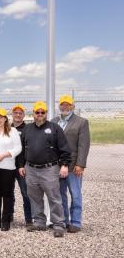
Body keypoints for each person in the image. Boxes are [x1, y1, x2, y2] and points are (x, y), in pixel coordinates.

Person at [17, 101, 72, 238]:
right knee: (35, 198)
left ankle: (58, 224)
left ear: (46, 114)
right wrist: (21, 165)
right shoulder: (27, 129)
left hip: (50, 169)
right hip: (31, 169)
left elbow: (64, 148)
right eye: (37, 112)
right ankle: (39, 222)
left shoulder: (54, 128)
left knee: (54, 198)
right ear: (33, 114)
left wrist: (64, 165)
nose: (40, 115)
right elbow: (22, 150)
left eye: (43, 112)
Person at [52, 95, 90, 233]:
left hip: (74, 167)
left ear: (73, 106)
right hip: (57, 166)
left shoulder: (81, 122)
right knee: (60, 195)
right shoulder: (54, 121)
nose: (65, 107)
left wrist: (80, 164)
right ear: (59, 106)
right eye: (63, 104)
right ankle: (64, 221)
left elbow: (83, 145)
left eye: (68, 104)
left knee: (75, 194)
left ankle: (76, 222)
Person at [11, 104, 33, 227]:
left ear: (23, 115)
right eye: (16, 113)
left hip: (23, 167)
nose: (18, 115)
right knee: (9, 193)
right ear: (12, 115)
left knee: (26, 193)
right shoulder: (7, 128)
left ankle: (29, 219)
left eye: (20, 113)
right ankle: (9, 216)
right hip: (8, 166)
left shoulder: (28, 129)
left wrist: (23, 165)